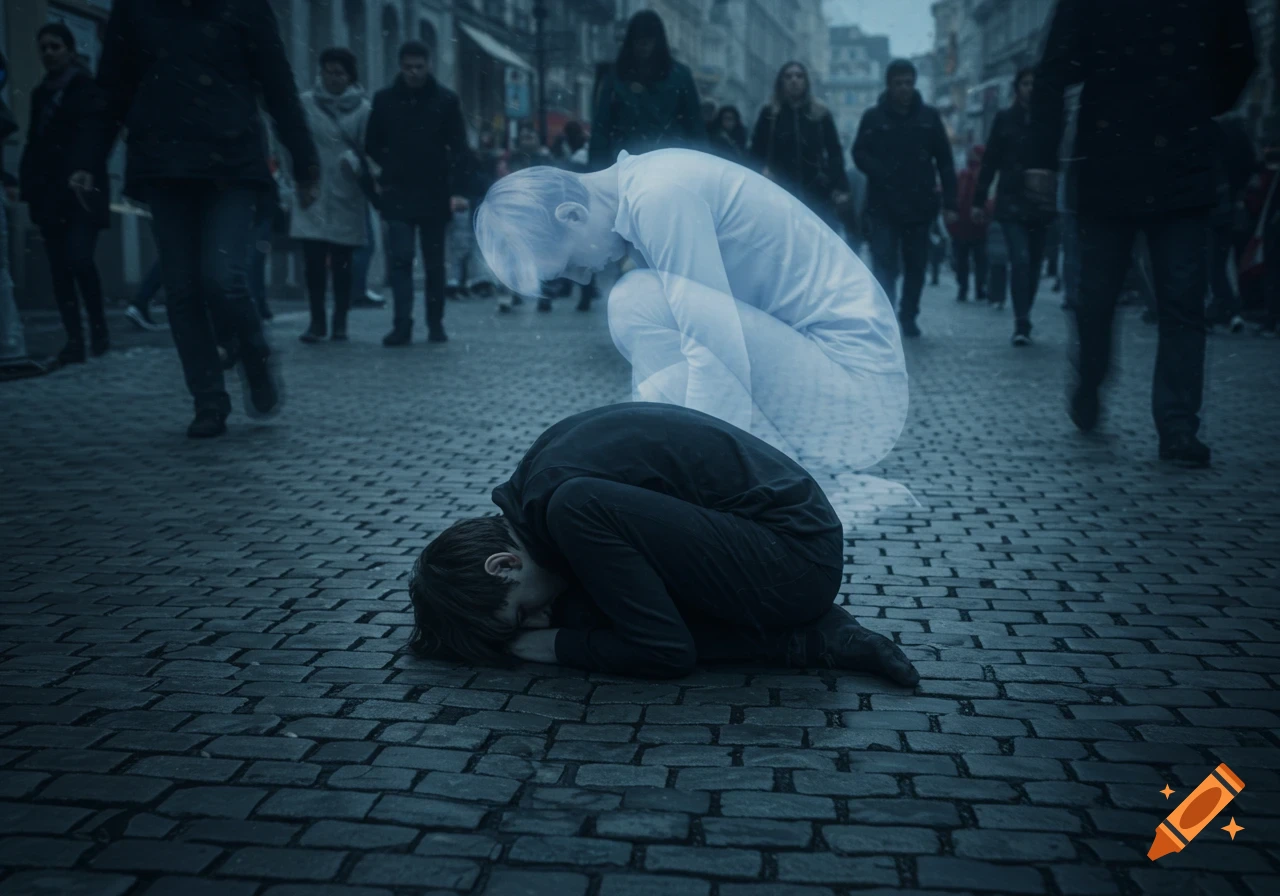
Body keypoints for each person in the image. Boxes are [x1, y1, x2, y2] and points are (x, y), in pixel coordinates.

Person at [473, 148, 911, 528]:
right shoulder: (652, 185)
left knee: (634, 301)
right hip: (847, 393)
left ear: (572, 214)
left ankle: (747, 492)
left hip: (859, 401)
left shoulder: (660, 196)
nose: (583, 278)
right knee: (643, 310)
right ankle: (747, 482)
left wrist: (687, 495)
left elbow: (715, 356)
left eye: (568, 265)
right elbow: (691, 361)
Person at [407, 403, 919, 686]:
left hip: (793, 562)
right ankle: (813, 638)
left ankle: (808, 638)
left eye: (523, 614)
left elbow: (664, 652)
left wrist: (561, 644)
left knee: (594, 611)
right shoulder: (538, 486)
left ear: (503, 564)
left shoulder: (567, 504)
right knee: (595, 599)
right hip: (784, 548)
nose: (538, 621)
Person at [1025, 0, 1256, 467]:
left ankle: (1177, 425)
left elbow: (1242, 55)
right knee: (1096, 299)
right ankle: (1090, 379)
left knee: (1182, 301)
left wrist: (1193, 100)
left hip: (1174, 162)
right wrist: (1040, 158)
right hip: (1113, 163)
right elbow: (1052, 72)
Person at [73, 0, 319, 439]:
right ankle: (208, 399)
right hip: (163, 163)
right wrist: (88, 158)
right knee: (182, 290)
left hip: (232, 162)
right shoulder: (136, 11)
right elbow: (112, 89)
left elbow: (278, 87)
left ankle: (254, 357)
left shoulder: (245, 9)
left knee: (223, 279)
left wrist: (304, 164)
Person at [366, 40, 471, 347]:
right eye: (408, 67)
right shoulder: (384, 100)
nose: (413, 73)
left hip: (434, 192)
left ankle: (435, 323)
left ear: (428, 66)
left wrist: (458, 190)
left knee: (434, 262)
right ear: (400, 66)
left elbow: (460, 149)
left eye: (419, 67)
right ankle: (402, 324)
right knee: (400, 260)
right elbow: (371, 142)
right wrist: (392, 164)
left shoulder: (445, 101)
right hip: (397, 191)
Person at [19, 24, 110, 366]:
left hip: (82, 190)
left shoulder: (85, 87)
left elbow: (94, 135)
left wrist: (83, 169)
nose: (48, 53)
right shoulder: (40, 93)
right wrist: (26, 185)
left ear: (70, 51)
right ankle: (75, 340)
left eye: (55, 46)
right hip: (50, 193)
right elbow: (34, 141)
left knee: (80, 260)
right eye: (43, 47)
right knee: (60, 268)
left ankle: (99, 327)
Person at [853, 58, 958, 338]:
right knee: (883, 262)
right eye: (898, 83)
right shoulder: (874, 117)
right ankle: (886, 315)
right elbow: (859, 152)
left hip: (919, 204)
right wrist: (880, 170)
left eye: (908, 83)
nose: (904, 88)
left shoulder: (929, 118)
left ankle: (909, 315)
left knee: (916, 265)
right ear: (889, 85)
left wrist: (951, 203)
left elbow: (945, 162)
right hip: (883, 204)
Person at [290, 48, 371, 344]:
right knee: (312, 264)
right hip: (312, 191)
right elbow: (293, 144)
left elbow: (371, 151)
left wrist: (358, 162)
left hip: (346, 193)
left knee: (342, 265)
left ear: (350, 76)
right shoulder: (305, 104)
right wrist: (298, 178)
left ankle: (340, 322)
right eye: (328, 71)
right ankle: (316, 322)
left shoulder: (364, 110)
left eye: (340, 73)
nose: (333, 78)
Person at [974, 68, 1056, 346]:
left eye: (1035, 83)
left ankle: (1025, 312)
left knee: (1033, 263)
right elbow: (990, 160)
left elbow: (1059, 157)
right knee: (1020, 259)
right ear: (1017, 87)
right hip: (1011, 201)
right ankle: (1021, 322)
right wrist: (979, 199)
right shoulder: (1004, 119)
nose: (1030, 88)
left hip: (1040, 201)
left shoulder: (1048, 120)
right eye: (1025, 83)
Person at [587, 10, 705, 170]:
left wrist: (698, 165)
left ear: (657, 42)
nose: (643, 46)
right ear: (631, 41)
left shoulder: (680, 76)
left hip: (669, 163)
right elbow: (602, 128)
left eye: (648, 40)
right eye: (638, 40)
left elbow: (694, 124)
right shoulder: (616, 76)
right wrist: (598, 170)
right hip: (628, 163)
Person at [749, 62, 850, 228]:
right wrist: (762, 172)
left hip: (816, 192)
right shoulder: (770, 113)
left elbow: (834, 152)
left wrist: (836, 183)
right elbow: (755, 151)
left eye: (799, 76)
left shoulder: (820, 113)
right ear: (781, 81)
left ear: (806, 81)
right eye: (788, 76)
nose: (794, 80)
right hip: (779, 189)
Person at [1205, 115, 1256, 332]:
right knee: (1221, 263)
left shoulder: (1214, 151)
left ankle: (1225, 309)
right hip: (1230, 211)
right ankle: (1230, 310)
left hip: (1213, 212)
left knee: (1211, 265)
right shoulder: (1240, 149)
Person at [947, 145, 990, 303]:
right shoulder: (967, 175)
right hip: (973, 225)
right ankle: (975, 288)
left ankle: (966, 288)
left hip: (967, 224)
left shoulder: (968, 175)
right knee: (976, 260)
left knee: (966, 260)